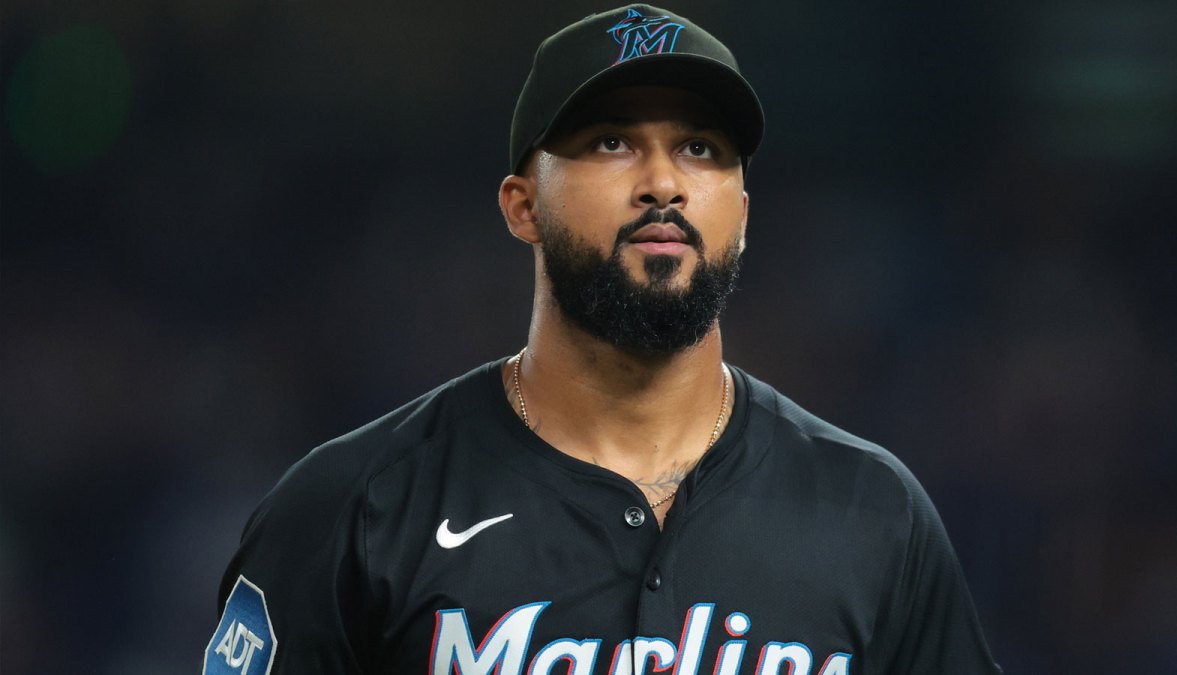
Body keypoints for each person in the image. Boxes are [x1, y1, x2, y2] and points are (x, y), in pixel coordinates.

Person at [203, 5, 1003, 674]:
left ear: (744, 214)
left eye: (702, 148)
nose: (663, 181)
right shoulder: (355, 505)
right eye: (612, 142)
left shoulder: (872, 513)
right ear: (523, 207)